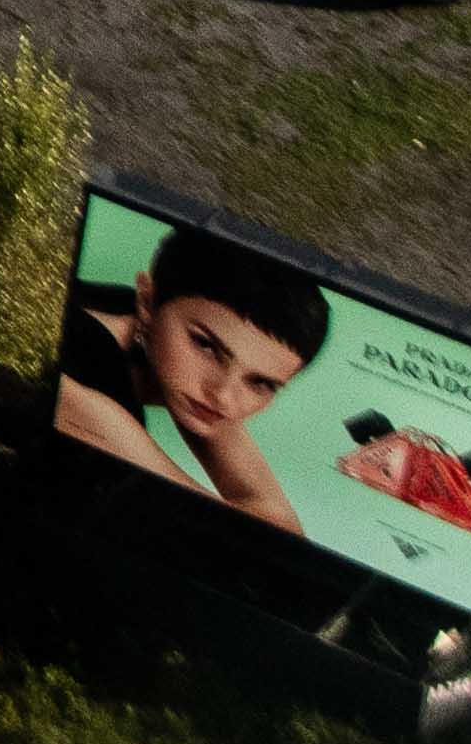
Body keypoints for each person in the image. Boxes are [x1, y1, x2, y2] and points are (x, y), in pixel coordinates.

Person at [56, 226, 329, 534]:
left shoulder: (131, 315)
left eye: (260, 383)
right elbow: (263, 538)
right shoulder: (76, 372)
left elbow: (281, 527)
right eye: (206, 346)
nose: (222, 395)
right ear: (147, 302)